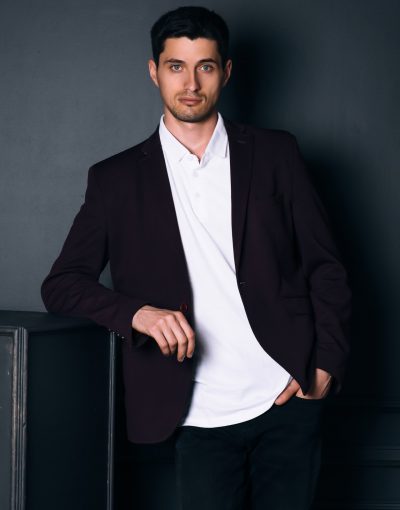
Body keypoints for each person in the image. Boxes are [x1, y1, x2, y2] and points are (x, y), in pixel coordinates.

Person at [41, 6, 351, 509]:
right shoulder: (116, 179)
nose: (190, 83)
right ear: (154, 71)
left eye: (204, 66)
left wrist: (324, 366)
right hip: (194, 413)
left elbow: (325, 267)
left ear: (225, 72)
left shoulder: (276, 154)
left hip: (288, 397)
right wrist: (137, 313)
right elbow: (61, 284)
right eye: (176, 66)